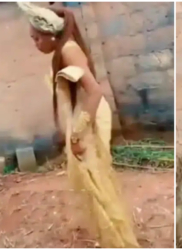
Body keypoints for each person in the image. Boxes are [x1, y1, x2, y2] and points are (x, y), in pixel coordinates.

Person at [17, 2, 139, 248]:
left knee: (97, 182)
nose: (36, 44)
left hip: (89, 115)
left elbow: (94, 91)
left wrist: (79, 135)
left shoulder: (68, 51)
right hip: (84, 114)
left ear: (50, 34)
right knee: (93, 180)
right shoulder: (63, 50)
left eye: (36, 39)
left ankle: (121, 241)